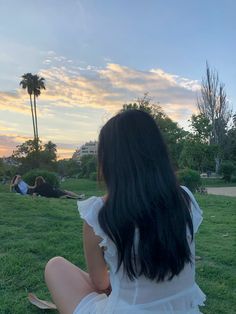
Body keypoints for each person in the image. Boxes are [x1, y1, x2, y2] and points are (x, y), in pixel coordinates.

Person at [44, 110, 206, 313]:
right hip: (184, 310)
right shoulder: (185, 199)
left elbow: (101, 284)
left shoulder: (100, 214)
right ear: (158, 153)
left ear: (110, 161)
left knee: (56, 266)